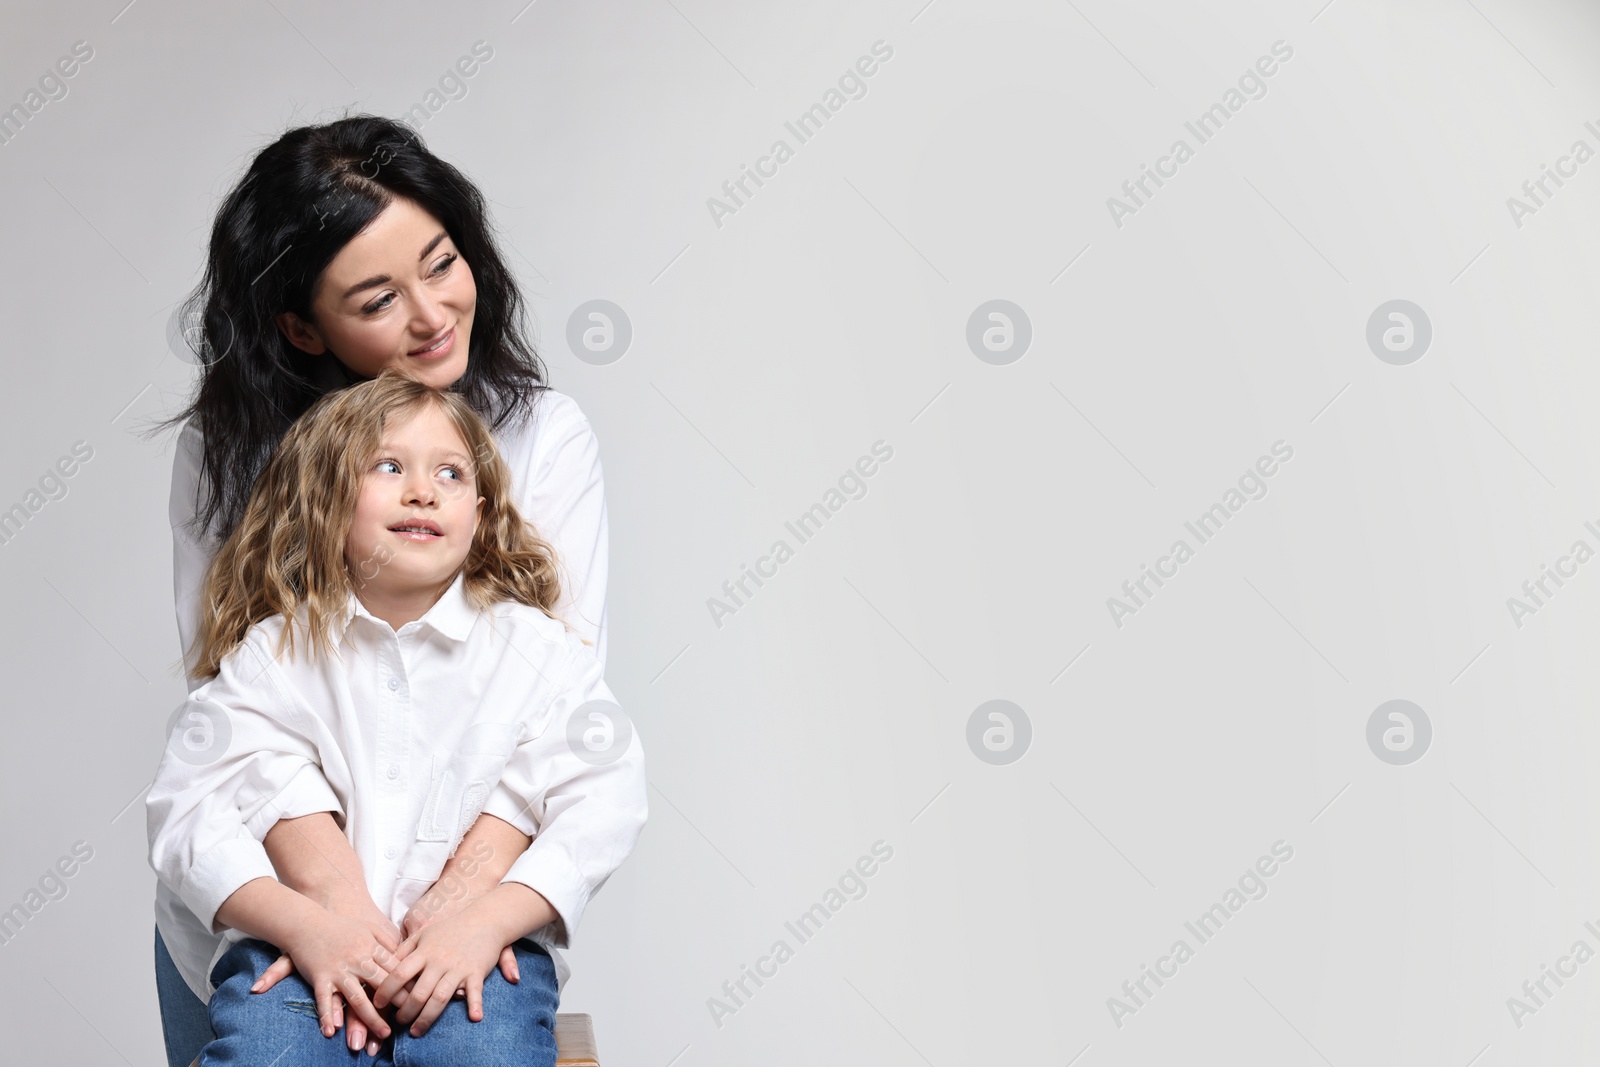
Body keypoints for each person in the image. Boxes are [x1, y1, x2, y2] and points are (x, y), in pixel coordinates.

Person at [154, 113, 613, 1066]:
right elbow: (232, 730)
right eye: (376, 299)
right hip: (276, 915)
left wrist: (455, 915)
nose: (433, 314)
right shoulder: (229, 457)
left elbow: (562, 727)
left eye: (442, 263)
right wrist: (336, 920)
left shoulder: (545, 436)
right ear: (300, 325)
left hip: (467, 929)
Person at [148, 371, 647, 1066]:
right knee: (269, 1058)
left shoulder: (534, 649)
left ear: (480, 506)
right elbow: (187, 805)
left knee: (484, 1056)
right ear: (323, 497)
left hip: (481, 946)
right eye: (388, 466)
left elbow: (606, 794)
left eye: (450, 471)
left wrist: (492, 918)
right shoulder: (276, 650)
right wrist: (302, 924)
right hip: (298, 947)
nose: (424, 489)